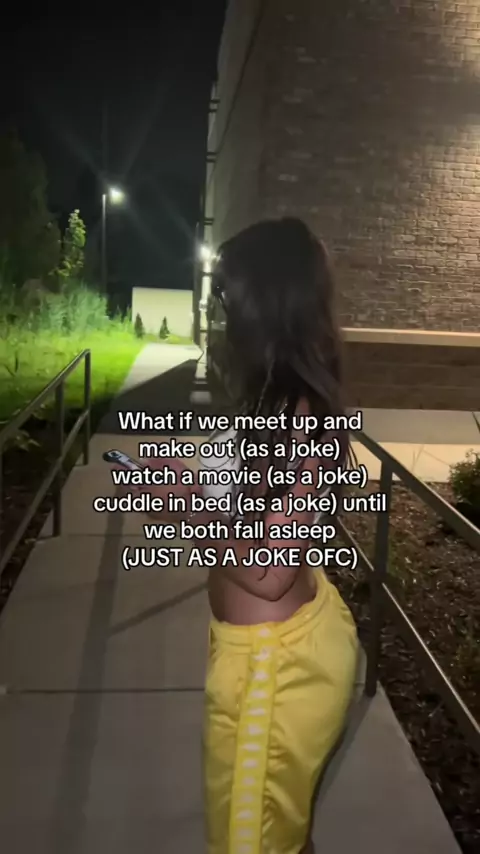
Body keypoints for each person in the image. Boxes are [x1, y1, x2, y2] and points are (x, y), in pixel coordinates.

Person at [121, 218, 359, 854]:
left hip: (270, 669)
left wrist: (179, 508)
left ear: (262, 304)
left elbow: (267, 571)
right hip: (263, 653)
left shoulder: (301, 415)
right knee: (273, 835)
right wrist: (190, 479)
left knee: (250, 843)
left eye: (226, 297)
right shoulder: (275, 399)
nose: (217, 312)